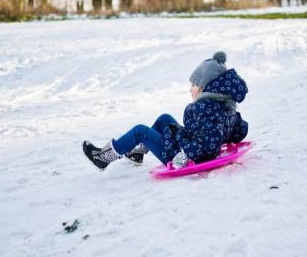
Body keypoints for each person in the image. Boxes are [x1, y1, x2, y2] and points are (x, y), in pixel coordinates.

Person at [82, 51, 248, 171]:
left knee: (140, 131)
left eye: (193, 85)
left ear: (205, 87)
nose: (190, 89)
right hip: (188, 144)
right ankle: (137, 152)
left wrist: (185, 155)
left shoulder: (206, 110)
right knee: (164, 118)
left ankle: (103, 158)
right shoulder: (224, 106)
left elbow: (209, 141)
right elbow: (237, 130)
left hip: (181, 154)